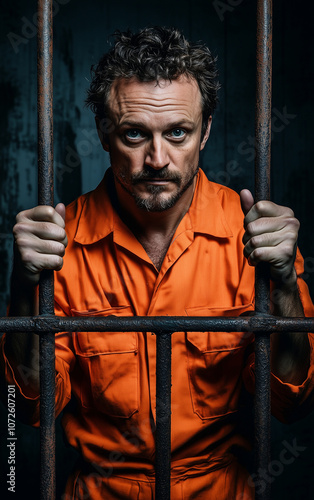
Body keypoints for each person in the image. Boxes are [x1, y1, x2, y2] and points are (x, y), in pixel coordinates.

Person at [1, 26, 314, 499]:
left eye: (178, 133)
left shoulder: (250, 234)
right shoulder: (62, 244)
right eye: (134, 134)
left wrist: (285, 282)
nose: (157, 159)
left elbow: (293, 400)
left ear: (205, 130)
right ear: (105, 133)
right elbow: (26, 408)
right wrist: (23, 288)